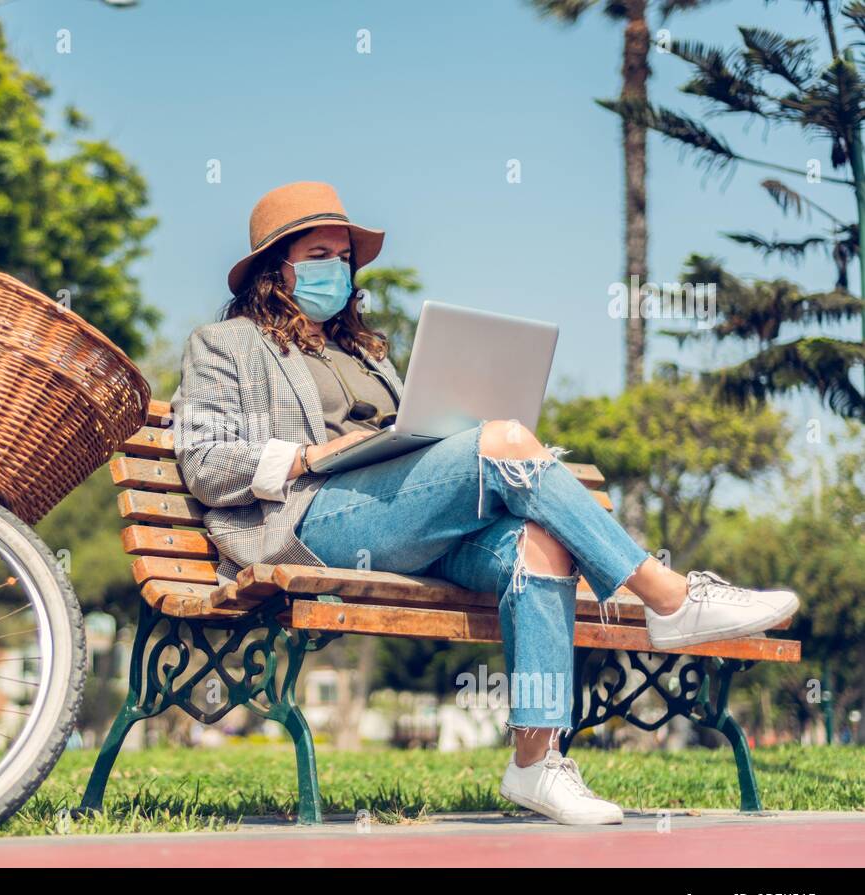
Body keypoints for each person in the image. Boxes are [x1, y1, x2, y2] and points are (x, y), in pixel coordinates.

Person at [171, 181, 800, 826]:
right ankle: (669, 598)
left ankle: (535, 762)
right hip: (314, 518)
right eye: (320, 254)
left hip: (407, 520)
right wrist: (306, 456)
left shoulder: (365, 351)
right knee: (501, 439)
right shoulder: (226, 345)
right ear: (276, 267)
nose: (338, 268)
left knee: (541, 543)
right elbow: (203, 461)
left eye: (344, 256)